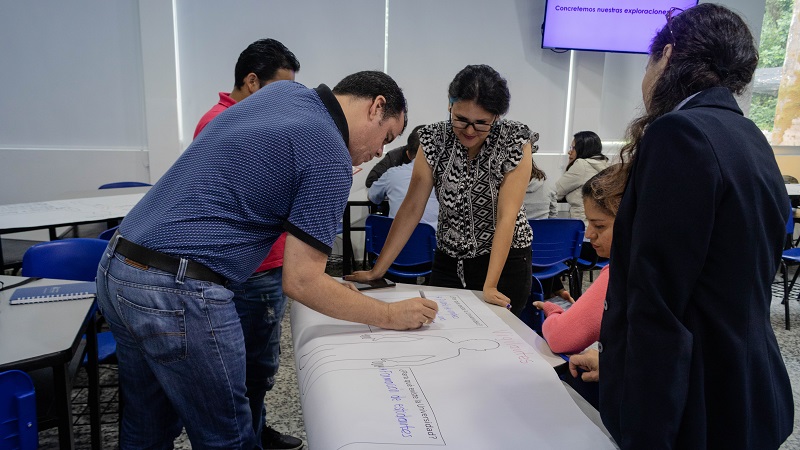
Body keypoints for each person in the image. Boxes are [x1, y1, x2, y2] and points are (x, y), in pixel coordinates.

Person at [96, 71, 438, 449]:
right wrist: (389, 315)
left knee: (147, 424)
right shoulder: (329, 152)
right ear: (376, 107)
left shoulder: (285, 94)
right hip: (178, 290)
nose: (378, 152)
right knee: (227, 436)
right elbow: (303, 281)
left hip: (119, 265)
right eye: (386, 138)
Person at [598, 4, 793, 448]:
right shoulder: (749, 136)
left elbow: (657, 301)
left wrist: (642, 425)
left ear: (665, 56)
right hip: (747, 382)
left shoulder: (678, 134)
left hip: (696, 400)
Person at [347, 64, 535, 315]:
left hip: (504, 261)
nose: (469, 131)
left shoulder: (515, 140)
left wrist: (489, 285)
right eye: (461, 119)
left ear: (496, 117)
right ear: (450, 105)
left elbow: (507, 216)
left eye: (481, 123)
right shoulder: (433, 139)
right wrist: (378, 270)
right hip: (449, 258)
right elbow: (412, 207)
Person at [193, 38, 302, 450]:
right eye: (280, 90)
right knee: (245, 368)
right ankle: (248, 436)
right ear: (252, 82)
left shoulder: (246, 119)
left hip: (265, 264)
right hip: (249, 270)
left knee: (258, 365)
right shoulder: (219, 121)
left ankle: (256, 428)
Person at [533, 166, 621, 354]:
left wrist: (552, 310)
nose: (588, 234)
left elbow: (559, 338)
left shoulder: (621, 273)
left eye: (598, 225)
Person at [368, 124, 439, 228]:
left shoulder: (391, 174)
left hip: (396, 242)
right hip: (432, 242)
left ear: (408, 154)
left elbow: (372, 196)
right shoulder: (449, 180)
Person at [554, 131, 609, 223]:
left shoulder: (581, 165)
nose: (569, 152)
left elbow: (556, 191)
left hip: (582, 224)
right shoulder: (605, 165)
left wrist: (570, 165)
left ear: (583, 149)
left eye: (573, 148)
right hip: (598, 223)